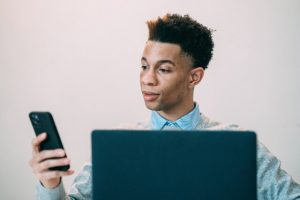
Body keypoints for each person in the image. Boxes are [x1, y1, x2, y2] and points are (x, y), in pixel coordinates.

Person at [29, 13, 300, 200]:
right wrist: (51, 183)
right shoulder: (116, 146)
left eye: (164, 69)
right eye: (144, 66)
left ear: (194, 76)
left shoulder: (238, 146)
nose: (147, 79)